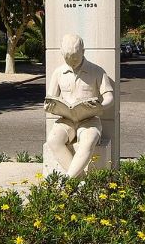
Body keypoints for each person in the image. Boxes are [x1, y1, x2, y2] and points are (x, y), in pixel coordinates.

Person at [44, 34, 114, 178]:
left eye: (75, 58)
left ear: (83, 51)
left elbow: (109, 97)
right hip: (66, 120)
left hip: (89, 120)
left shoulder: (97, 71)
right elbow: (50, 98)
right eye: (68, 59)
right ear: (62, 53)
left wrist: (99, 107)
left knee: (88, 141)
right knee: (53, 140)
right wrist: (49, 106)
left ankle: (68, 180)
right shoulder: (58, 73)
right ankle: (79, 178)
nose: (73, 63)